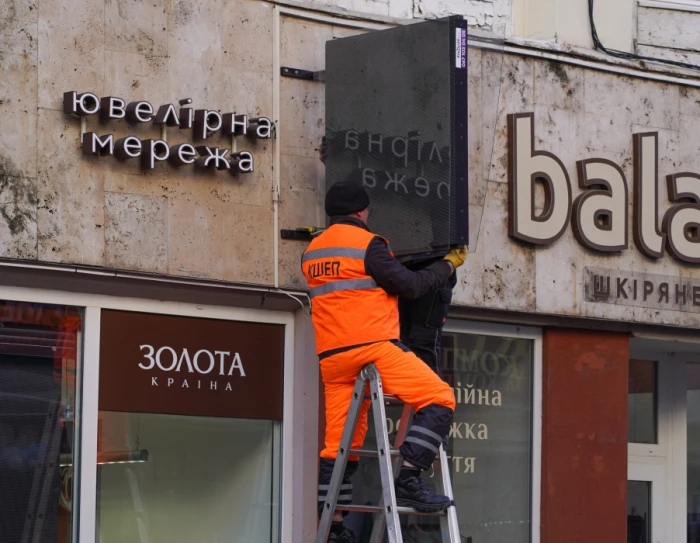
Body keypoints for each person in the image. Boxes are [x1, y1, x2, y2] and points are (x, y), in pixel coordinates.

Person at [302, 179, 467, 543]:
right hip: (372, 348)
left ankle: (334, 528)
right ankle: (408, 479)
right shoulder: (369, 245)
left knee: (338, 445)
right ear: (362, 212)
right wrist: (447, 266)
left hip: (331, 357)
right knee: (440, 399)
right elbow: (409, 286)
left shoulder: (312, 251)